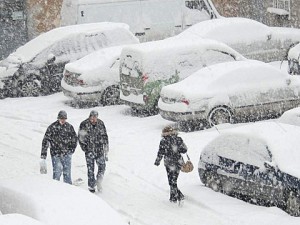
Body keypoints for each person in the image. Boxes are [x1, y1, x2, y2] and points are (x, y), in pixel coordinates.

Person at [40, 110, 78, 184]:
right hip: (55, 154)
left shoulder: (69, 127)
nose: (63, 120)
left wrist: (71, 150)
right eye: (61, 118)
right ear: (58, 118)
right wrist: (43, 155)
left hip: (67, 153)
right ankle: (55, 187)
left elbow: (74, 139)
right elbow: (45, 141)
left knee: (67, 173)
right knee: (57, 172)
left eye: (64, 119)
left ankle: (68, 188)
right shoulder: (52, 127)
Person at [154, 126, 187, 203]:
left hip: (169, 163)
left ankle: (175, 197)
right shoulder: (178, 139)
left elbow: (160, 152)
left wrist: (157, 161)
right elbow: (184, 150)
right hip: (178, 162)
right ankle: (176, 196)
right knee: (174, 180)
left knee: (171, 181)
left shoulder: (163, 141)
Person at [78, 110, 109, 193]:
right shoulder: (84, 124)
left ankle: (99, 182)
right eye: (92, 117)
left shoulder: (101, 124)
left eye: (95, 117)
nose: (94, 119)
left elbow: (105, 137)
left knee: (102, 167)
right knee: (90, 169)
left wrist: (106, 150)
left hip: (99, 150)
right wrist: (86, 149)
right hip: (89, 151)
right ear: (90, 117)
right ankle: (91, 187)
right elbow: (81, 138)